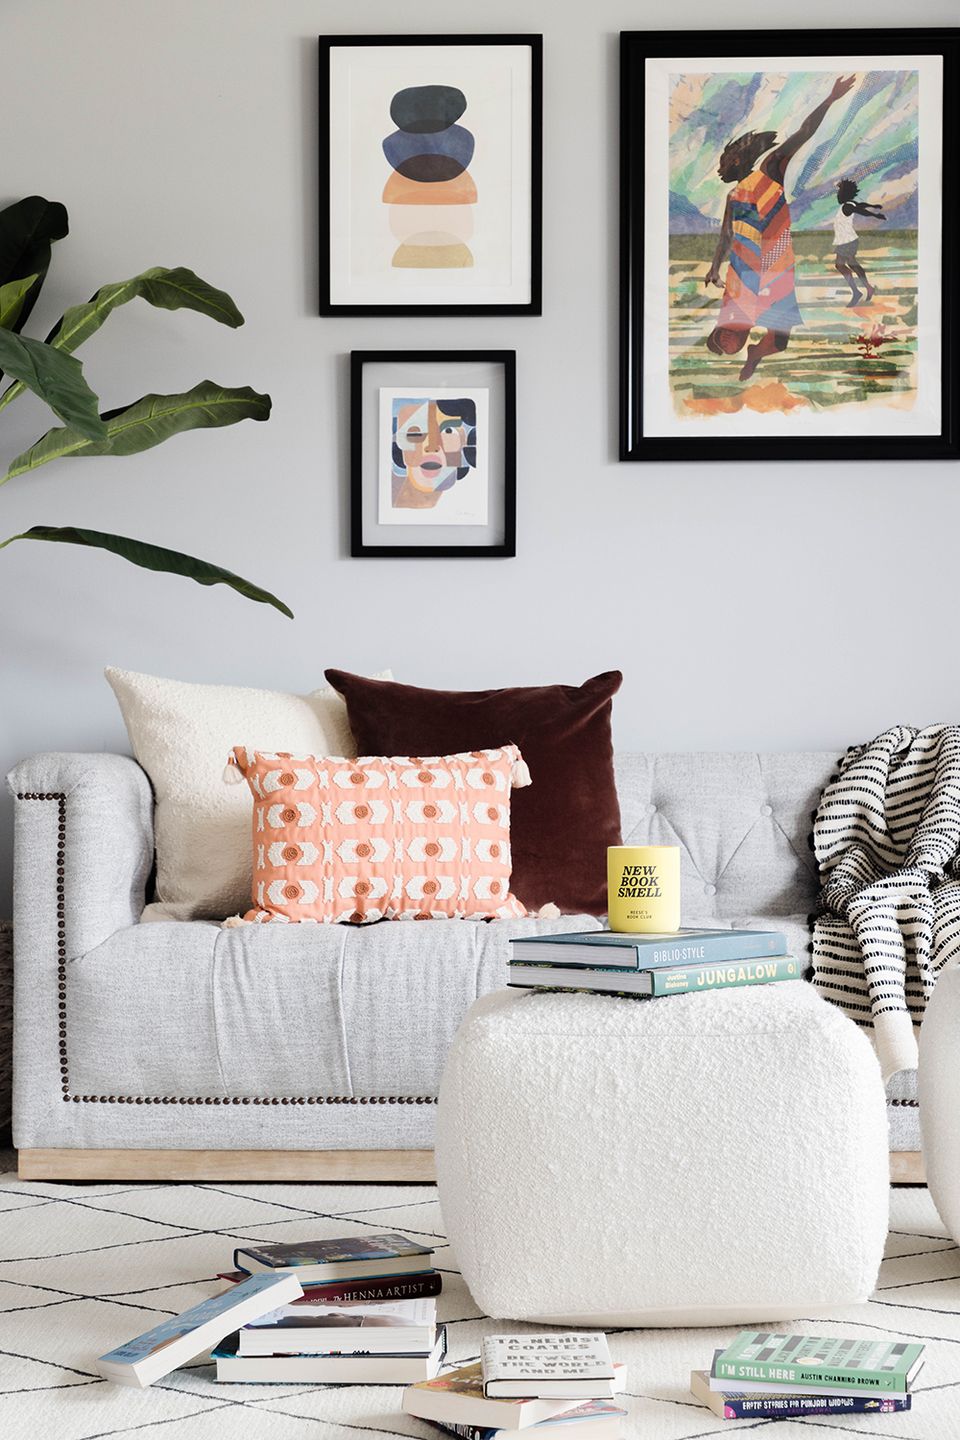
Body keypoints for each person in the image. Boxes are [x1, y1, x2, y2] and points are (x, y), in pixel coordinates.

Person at [705, 74, 856, 381]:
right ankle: (735, 343)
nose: (722, 168)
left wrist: (830, 98)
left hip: (777, 265)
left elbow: (805, 131)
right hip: (744, 271)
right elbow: (725, 235)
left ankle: (754, 355)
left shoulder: (771, 168)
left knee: (780, 340)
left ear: (740, 158)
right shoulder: (734, 196)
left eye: (727, 161)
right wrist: (713, 268)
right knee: (738, 335)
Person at [833, 178, 885, 305]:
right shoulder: (848, 204)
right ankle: (865, 289)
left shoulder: (847, 207)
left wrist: (875, 215)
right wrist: (873, 206)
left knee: (843, 265)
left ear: (844, 194)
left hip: (847, 240)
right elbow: (860, 206)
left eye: (839, 192)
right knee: (849, 264)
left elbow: (860, 210)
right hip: (845, 240)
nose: (838, 195)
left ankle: (860, 290)